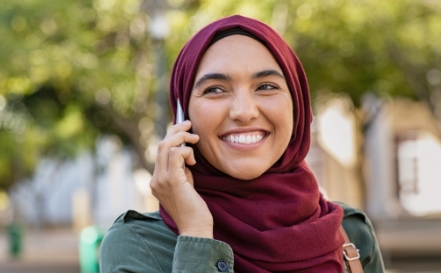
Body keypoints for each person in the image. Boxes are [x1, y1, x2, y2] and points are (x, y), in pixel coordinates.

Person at [99, 15, 385, 273]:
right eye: (215, 90)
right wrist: (196, 234)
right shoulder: (137, 246)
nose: (244, 111)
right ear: (183, 115)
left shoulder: (350, 232)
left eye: (266, 86)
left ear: (297, 107)